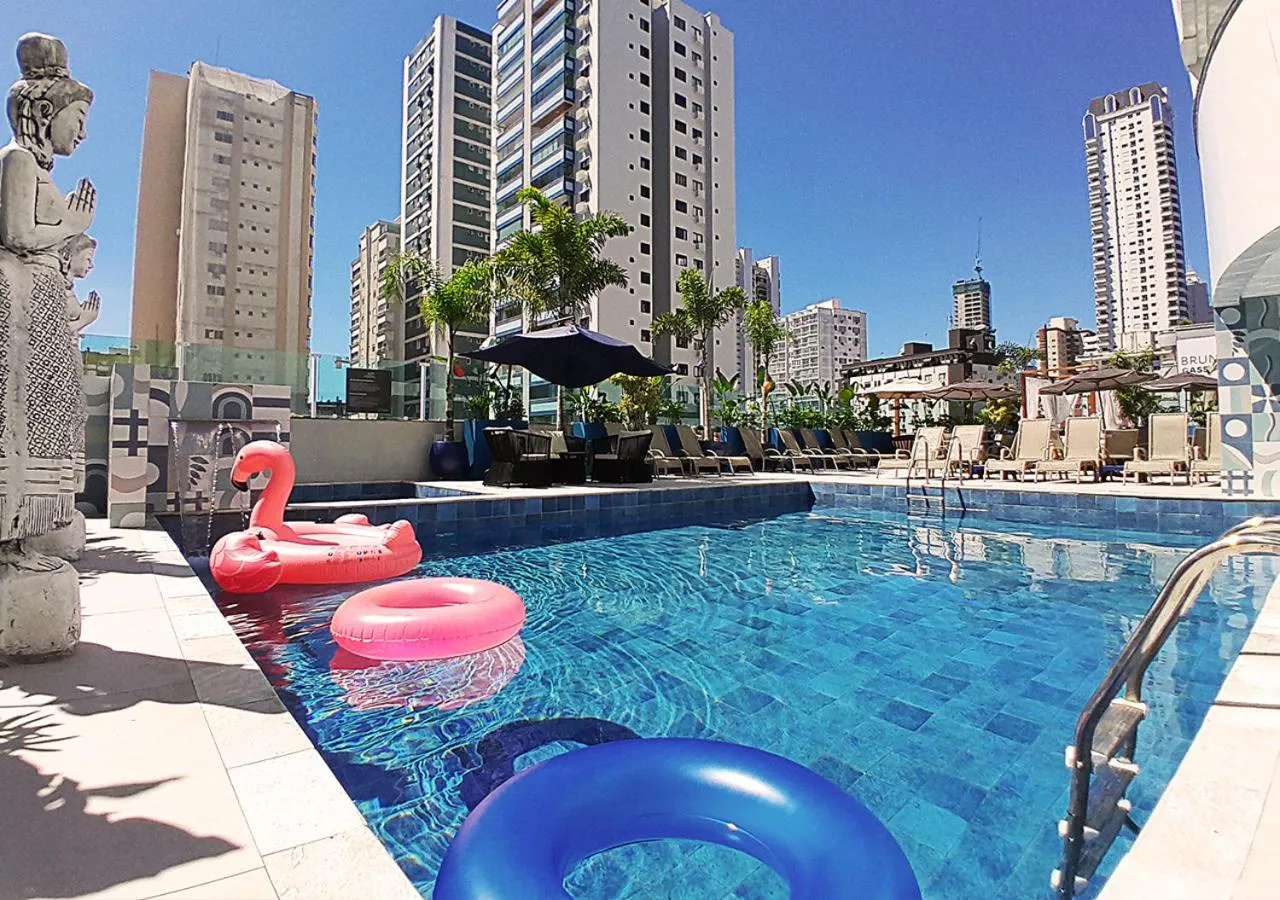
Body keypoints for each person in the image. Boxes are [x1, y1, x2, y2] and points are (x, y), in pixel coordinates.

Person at [0, 33, 95, 541]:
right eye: (77, 121)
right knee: (30, 414)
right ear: (44, 111)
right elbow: (15, 235)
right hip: (26, 302)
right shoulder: (16, 161)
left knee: (55, 412)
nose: (81, 135)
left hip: (43, 303)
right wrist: (71, 226)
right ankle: (14, 533)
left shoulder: (35, 169)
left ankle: (28, 534)